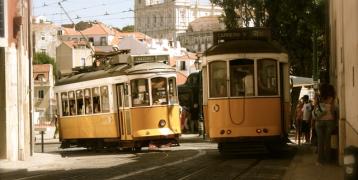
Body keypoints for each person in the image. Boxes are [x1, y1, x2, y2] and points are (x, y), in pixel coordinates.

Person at [313, 83, 336, 165]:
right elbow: (333, 110)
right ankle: (328, 160)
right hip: (329, 121)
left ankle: (320, 161)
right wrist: (334, 119)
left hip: (319, 121)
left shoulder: (318, 97)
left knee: (320, 141)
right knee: (327, 141)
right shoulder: (331, 98)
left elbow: (315, 108)